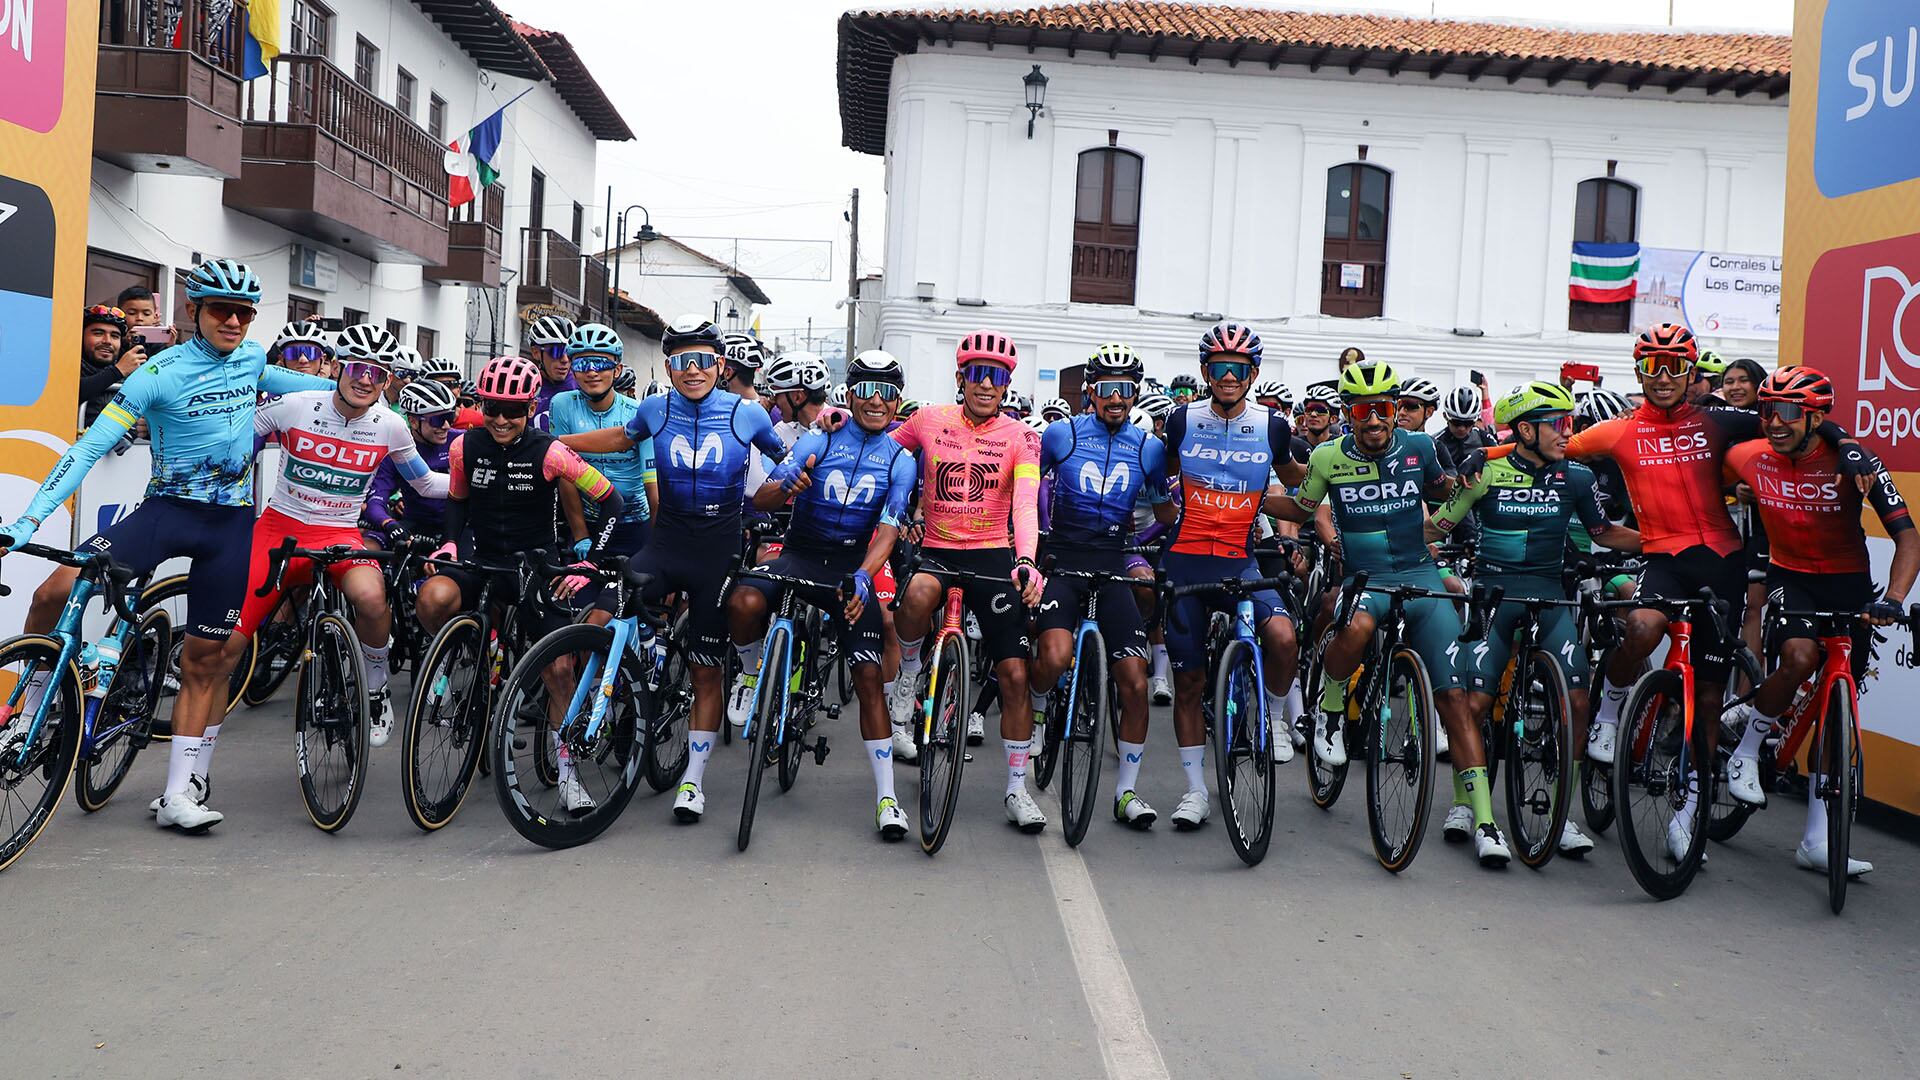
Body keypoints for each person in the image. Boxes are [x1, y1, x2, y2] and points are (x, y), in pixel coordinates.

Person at [1469, 324, 1880, 863]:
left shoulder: (1720, 419)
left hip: (1723, 564)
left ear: (1690, 372)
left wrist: (1848, 446)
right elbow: (1549, 444)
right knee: (1641, 628)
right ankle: (1610, 713)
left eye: (1674, 366)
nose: (1662, 377)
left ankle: (1687, 816)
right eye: (1652, 366)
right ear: (1639, 371)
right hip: (1663, 557)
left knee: (1708, 699)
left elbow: (1798, 421)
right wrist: (1484, 452)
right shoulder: (1619, 430)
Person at [0, 258, 332, 832]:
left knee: (207, 659)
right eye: (222, 310)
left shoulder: (253, 359)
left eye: (245, 313)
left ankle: (180, 793)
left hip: (230, 525)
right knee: (55, 591)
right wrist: (28, 520)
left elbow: (312, 387)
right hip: (166, 513)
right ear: (193, 310)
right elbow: (88, 448)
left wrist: (371, 389)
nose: (234, 322)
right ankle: (30, 711)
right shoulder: (158, 373)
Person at [557, 315, 789, 822]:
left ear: (720, 365)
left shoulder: (748, 413)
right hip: (665, 544)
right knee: (604, 613)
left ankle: (693, 781)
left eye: (703, 360)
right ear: (669, 367)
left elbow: (786, 461)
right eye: (683, 361)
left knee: (706, 670)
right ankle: (611, 690)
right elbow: (620, 438)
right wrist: (560, 445)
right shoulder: (655, 408)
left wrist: (821, 448)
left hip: (718, 554)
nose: (693, 369)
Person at [1274, 360, 1507, 863]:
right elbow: (1300, 509)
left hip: (1420, 574)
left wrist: (1477, 467)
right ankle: (1330, 708)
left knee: (1456, 699)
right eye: (1363, 411)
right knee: (1357, 624)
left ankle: (1485, 820)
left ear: (1396, 408)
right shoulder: (1327, 455)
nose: (1374, 420)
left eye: (1382, 408)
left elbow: (1446, 488)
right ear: (1348, 414)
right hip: (1367, 578)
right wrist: (1250, 499)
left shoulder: (1420, 446)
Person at [1428, 381, 1641, 858]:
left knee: (1578, 702)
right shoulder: (1485, 472)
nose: (1568, 432)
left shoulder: (1577, 477)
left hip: (1550, 596)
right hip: (1494, 596)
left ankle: (1562, 816)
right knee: (1474, 704)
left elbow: (1604, 533)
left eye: (1570, 423)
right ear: (1526, 430)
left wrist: (1665, 542)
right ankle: (1465, 803)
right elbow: (1437, 527)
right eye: (1558, 424)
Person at [1719, 366, 1917, 876]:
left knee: (1837, 714)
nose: (1775, 422)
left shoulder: (1857, 464)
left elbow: (1908, 538)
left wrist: (1894, 598)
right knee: (1799, 656)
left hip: (1849, 585)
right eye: (1768, 410)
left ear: (1816, 417)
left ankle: (1816, 840)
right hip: (1791, 577)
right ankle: (1747, 748)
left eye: (1789, 412)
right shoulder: (1749, 454)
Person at [730, 350, 917, 838]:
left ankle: (887, 798)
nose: (876, 400)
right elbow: (762, 497)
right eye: (867, 390)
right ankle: (749, 676)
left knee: (869, 678)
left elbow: (889, 528)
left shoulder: (901, 460)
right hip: (800, 554)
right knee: (744, 601)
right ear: (850, 394)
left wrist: (865, 576)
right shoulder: (822, 436)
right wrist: (787, 485)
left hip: (852, 570)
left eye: (887, 392)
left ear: (897, 401)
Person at [229, 335, 450, 748]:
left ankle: (375, 686)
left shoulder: (390, 425)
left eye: (376, 373)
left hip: (341, 532)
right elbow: (237, 449)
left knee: (372, 598)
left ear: (386, 381)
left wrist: (479, 477)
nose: (365, 379)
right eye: (357, 368)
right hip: (280, 527)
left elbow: (425, 483)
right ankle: (193, 770)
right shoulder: (295, 405)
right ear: (336, 368)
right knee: (227, 645)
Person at [884, 330, 1048, 831]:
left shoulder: (1021, 437)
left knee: (1015, 675)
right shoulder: (928, 420)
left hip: (993, 557)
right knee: (916, 595)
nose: (986, 384)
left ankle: (1017, 788)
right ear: (961, 377)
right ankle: (909, 671)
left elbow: (1025, 503)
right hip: (937, 549)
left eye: (996, 377)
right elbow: (878, 451)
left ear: (1007, 385)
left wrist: (1026, 559)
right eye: (977, 374)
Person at [1158, 324, 1304, 829]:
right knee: (1189, 682)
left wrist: (1324, 497)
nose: (1228, 377)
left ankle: (1272, 716)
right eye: (1219, 367)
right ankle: (1196, 791)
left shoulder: (1273, 426)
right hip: (1186, 559)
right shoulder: (1181, 420)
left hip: (1240, 560)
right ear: (1205, 371)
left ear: (1252, 375)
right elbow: (1161, 473)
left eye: (1238, 369)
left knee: (1283, 637)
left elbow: (1299, 483)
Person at [1032, 341, 1169, 827]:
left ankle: (1126, 791)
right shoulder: (1061, 434)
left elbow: (1164, 509)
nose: (1116, 397)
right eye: (1107, 388)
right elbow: (1030, 488)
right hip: (1064, 558)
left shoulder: (1149, 447)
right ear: (1090, 390)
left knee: (1134, 682)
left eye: (1126, 389)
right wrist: (1034, 539)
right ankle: (1039, 705)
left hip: (1113, 562)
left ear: (1136, 393)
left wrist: (1165, 532)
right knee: (1053, 657)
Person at [545, 322, 658, 620]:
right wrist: (581, 535)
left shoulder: (637, 412)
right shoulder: (562, 404)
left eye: (601, 363)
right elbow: (565, 474)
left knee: (622, 612)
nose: (592, 371)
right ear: (573, 369)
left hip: (633, 527)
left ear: (617, 370)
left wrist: (659, 542)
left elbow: (652, 485)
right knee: (574, 610)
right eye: (583, 364)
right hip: (590, 526)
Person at [366, 379, 458, 547]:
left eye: (449, 417)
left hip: (458, 526)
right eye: (438, 419)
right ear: (413, 421)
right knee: (370, 543)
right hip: (415, 524)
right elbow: (376, 501)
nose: (446, 426)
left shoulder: (461, 441)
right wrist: (388, 523)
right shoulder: (397, 448)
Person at [76, 305, 135, 424]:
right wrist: (117, 371)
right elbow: (70, 392)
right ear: (80, 337)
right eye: (98, 333)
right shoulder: (64, 366)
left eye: (114, 336)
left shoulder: (131, 374)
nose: (107, 341)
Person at [524, 314, 577, 428]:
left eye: (569, 352)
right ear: (536, 352)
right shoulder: (524, 387)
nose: (565, 359)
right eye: (556, 351)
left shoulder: (583, 386)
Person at [269, 321, 333, 378]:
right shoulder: (269, 386)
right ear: (282, 359)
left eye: (311, 353)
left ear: (322, 359)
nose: (303, 360)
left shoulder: (334, 387)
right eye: (293, 353)